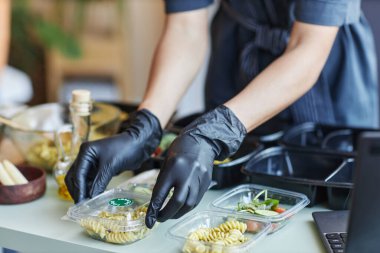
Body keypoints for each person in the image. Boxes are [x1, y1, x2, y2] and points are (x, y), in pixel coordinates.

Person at [65, 0, 378, 230]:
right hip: (237, 57)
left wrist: (214, 131)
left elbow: (308, 45)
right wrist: (146, 124)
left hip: (324, 71)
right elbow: (186, 27)